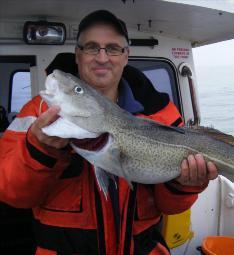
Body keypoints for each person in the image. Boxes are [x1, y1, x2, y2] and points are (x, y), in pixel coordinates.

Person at [0, 10, 218, 255]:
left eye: (113, 48)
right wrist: (39, 149)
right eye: (92, 47)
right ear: (78, 54)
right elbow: (11, 193)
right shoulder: (37, 114)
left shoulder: (163, 115)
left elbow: (169, 207)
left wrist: (184, 185)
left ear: (126, 56)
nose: (102, 57)